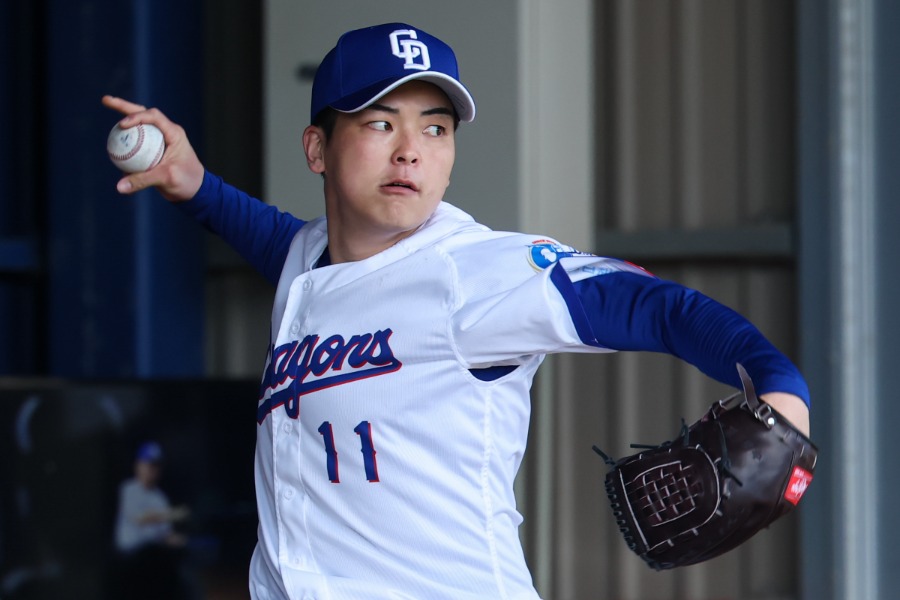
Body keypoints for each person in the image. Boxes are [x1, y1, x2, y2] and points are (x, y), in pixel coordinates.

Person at [102, 22, 810, 600]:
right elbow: (282, 243)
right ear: (318, 148)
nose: (411, 151)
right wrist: (195, 186)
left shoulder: (475, 270)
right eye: (380, 123)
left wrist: (781, 384)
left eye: (435, 129)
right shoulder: (309, 260)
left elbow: (658, 306)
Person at [113, 441, 190, 599]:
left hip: (153, 560)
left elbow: (164, 534)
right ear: (137, 465)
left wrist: (181, 541)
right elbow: (141, 518)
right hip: (128, 560)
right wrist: (172, 514)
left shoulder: (160, 498)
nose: (151, 469)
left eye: (155, 465)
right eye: (147, 464)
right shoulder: (128, 489)